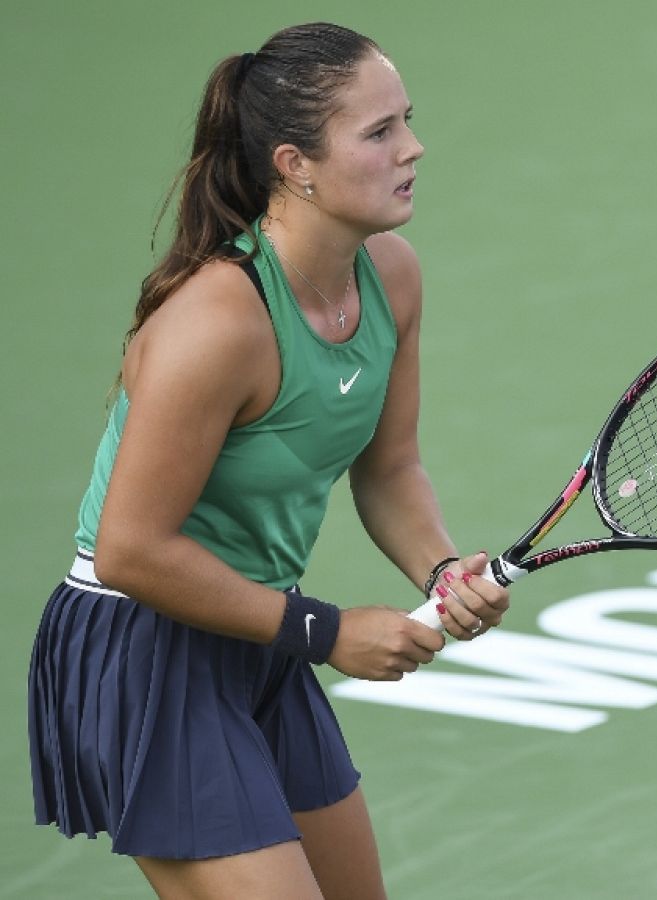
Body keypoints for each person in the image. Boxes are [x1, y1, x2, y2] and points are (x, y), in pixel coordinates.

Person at [28, 22, 509, 899]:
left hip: (255, 635)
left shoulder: (390, 276)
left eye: (408, 119)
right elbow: (132, 549)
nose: (414, 146)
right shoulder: (216, 324)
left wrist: (442, 570)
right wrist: (326, 633)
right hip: (145, 646)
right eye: (380, 132)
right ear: (295, 164)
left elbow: (390, 467)